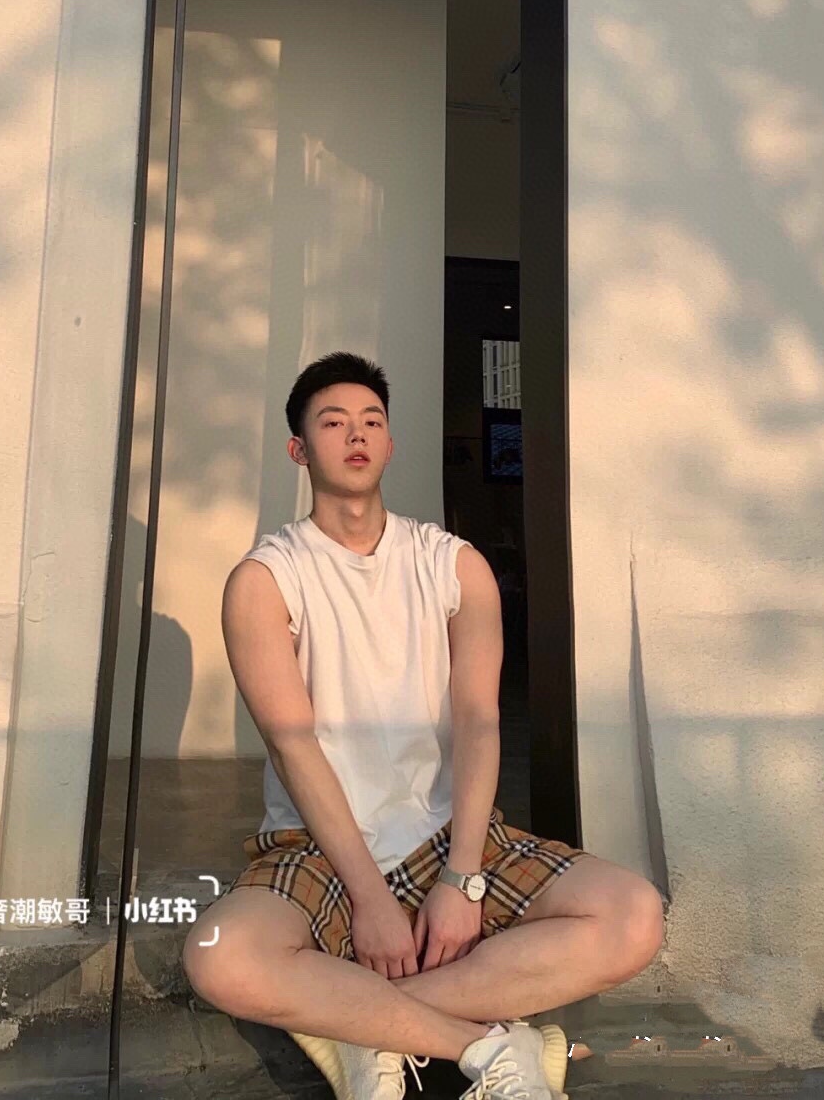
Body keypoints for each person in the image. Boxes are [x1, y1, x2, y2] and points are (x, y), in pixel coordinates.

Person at [183, 353, 664, 1099]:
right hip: (320, 844)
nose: (356, 435)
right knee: (219, 957)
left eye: (371, 421)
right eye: (333, 423)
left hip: (445, 834)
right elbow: (293, 743)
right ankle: (485, 1047)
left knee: (635, 917)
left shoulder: (455, 566)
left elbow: (478, 721)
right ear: (299, 449)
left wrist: (463, 877)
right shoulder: (265, 579)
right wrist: (370, 897)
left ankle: (359, 1025)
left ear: (390, 443)